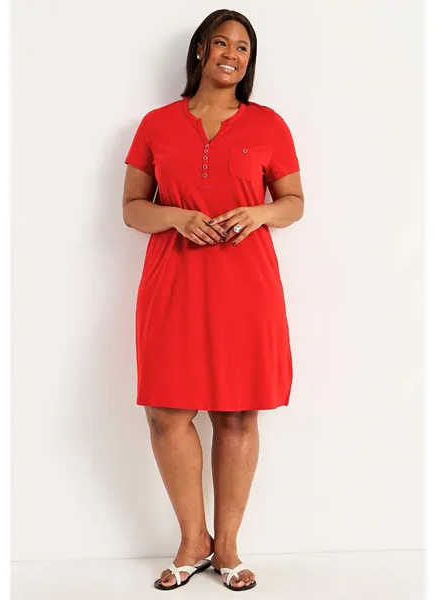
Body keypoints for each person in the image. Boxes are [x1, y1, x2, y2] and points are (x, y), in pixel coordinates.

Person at [121, 8, 304, 592]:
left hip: (245, 285)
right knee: (167, 413)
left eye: (243, 48)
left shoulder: (268, 124)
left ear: (250, 61)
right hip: (173, 281)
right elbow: (132, 209)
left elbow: (294, 202)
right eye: (221, 43)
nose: (231, 54)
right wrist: (177, 217)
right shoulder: (156, 124)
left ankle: (227, 548)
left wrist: (260, 212)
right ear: (200, 49)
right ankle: (192, 541)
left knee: (238, 413)